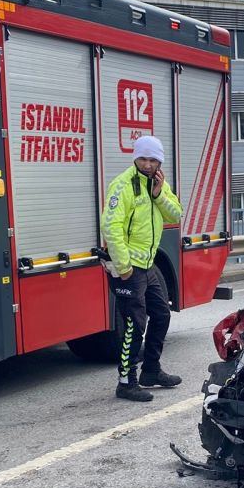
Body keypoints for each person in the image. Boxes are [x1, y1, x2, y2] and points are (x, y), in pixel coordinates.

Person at [101, 135, 184, 402]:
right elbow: (110, 227)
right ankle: (126, 382)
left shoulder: (158, 183)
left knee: (161, 315)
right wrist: (123, 266)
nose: (148, 164)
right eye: (143, 158)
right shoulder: (123, 185)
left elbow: (176, 214)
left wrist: (159, 195)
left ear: (159, 160)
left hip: (148, 266)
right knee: (134, 325)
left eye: (153, 159)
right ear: (135, 157)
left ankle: (151, 371)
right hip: (129, 268)